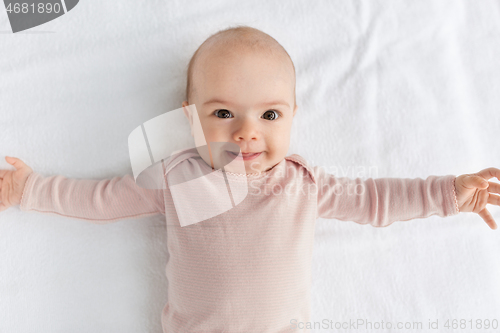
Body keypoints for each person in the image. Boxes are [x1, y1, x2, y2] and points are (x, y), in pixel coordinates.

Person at [1, 25, 499, 333]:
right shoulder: (177, 178)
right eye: (223, 113)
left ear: (293, 116)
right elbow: (103, 200)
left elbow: (375, 199)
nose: (246, 132)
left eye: (270, 115)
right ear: (191, 119)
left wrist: (449, 193)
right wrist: (31, 188)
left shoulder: (304, 183)